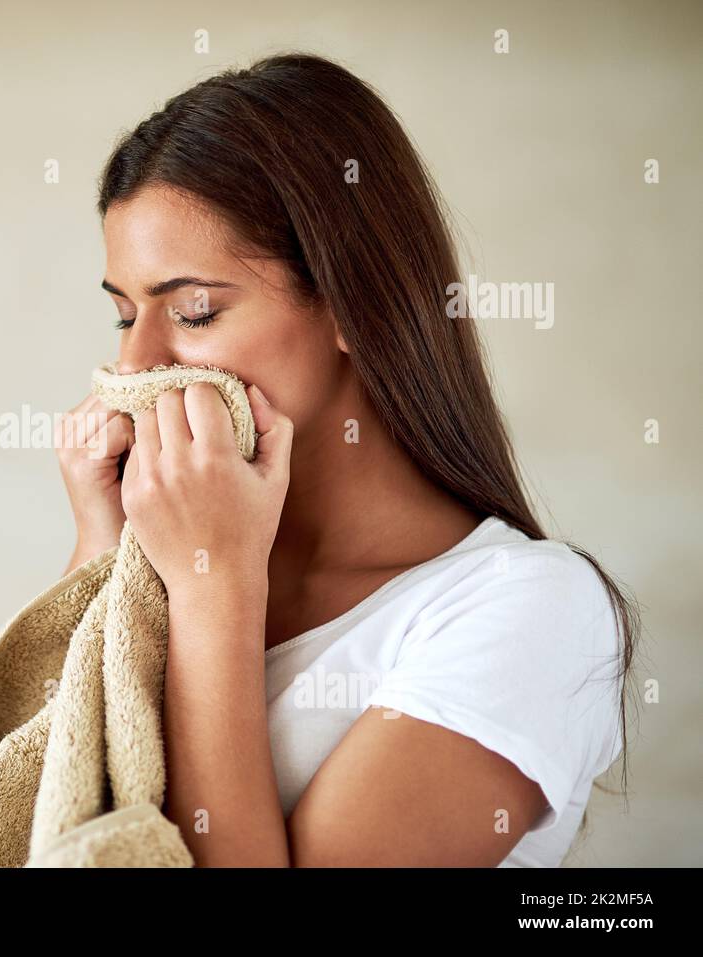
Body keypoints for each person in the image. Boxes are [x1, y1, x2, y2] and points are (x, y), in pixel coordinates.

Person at [54, 53, 639, 867]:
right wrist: (101, 549)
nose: (137, 366)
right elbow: (32, 813)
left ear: (352, 304)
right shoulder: (156, 562)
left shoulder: (530, 610)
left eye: (193, 310)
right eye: (124, 317)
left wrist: (213, 579)